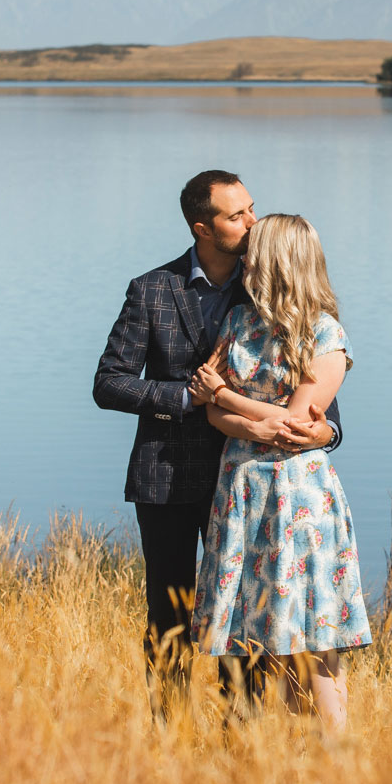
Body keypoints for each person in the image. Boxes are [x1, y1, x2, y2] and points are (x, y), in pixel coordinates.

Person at [94, 171, 341, 719]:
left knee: (249, 619)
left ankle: (243, 737)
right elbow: (109, 383)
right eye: (237, 216)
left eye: (252, 209)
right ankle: (170, 736)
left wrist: (326, 433)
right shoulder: (152, 289)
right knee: (171, 617)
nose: (252, 222)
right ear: (203, 228)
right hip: (169, 479)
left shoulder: (268, 288)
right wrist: (189, 399)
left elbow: (322, 409)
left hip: (254, 485)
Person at [191, 213, 369, 734]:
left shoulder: (325, 334)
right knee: (263, 629)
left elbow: (298, 422)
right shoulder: (240, 323)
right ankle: (278, 758)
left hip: (297, 497)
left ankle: (335, 758)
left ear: (274, 260)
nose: (244, 257)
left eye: (255, 249)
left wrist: (224, 395)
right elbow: (213, 418)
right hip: (242, 489)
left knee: (314, 636)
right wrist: (238, 413)